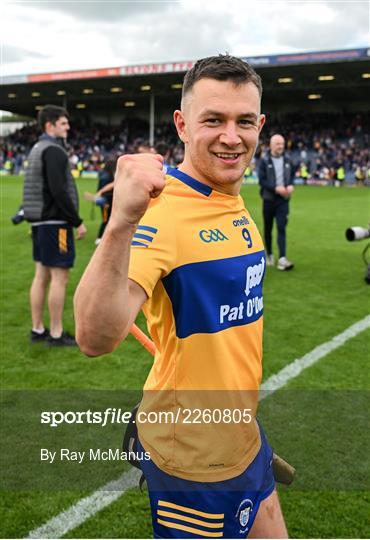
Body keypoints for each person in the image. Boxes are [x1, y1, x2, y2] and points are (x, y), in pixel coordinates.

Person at [74, 55, 288, 538]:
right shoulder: (159, 211)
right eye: (213, 120)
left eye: (244, 122)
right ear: (182, 125)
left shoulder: (229, 196)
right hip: (194, 456)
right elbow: (93, 335)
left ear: (261, 125)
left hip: (243, 433)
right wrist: (121, 223)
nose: (231, 137)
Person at [23, 105, 87, 346]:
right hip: (56, 224)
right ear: (49, 126)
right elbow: (59, 191)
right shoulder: (54, 151)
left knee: (41, 276)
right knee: (60, 278)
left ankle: (38, 329)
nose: (68, 127)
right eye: (63, 123)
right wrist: (77, 221)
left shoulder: (37, 148)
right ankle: (57, 334)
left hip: (40, 223)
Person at [258, 134, 295, 270]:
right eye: (278, 144)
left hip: (283, 201)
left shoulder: (288, 160)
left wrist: (291, 185)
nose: (281, 147)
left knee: (281, 227)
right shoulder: (264, 161)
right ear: (271, 145)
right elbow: (261, 180)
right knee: (268, 229)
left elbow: (291, 175)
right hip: (268, 200)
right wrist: (275, 188)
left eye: (282, 144)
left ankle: (282, 258)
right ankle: (270, 255)